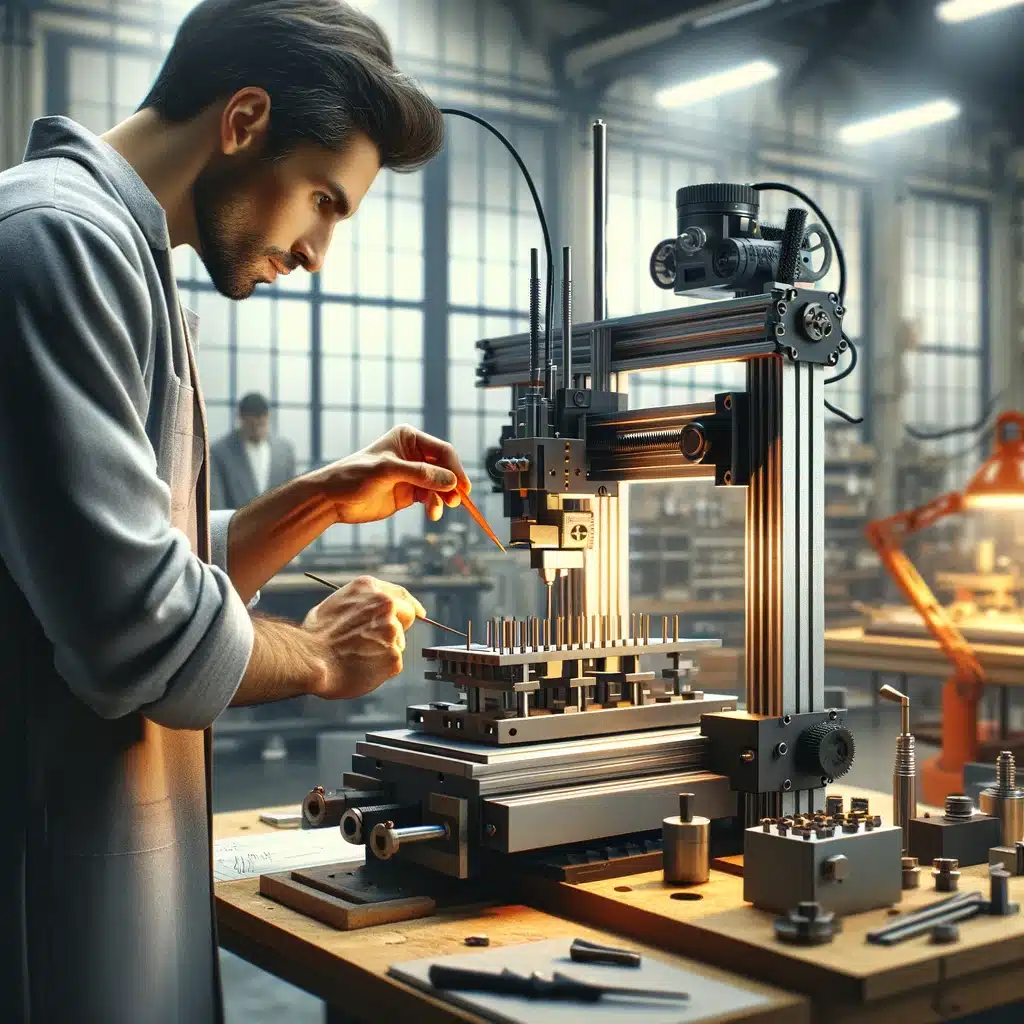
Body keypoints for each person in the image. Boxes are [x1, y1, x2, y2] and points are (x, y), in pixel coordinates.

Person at [0, 2, 465, 1021]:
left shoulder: (123, 258)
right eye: (324, 201)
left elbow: (111, 556)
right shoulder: (54, 242)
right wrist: (323, 657)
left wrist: (315, 501)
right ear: (245, 119)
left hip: (113, 860)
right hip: (46, 884)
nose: (318, 251)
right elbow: (133, 630)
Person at [210, 392, 297, 510]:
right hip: (235, 520)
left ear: (268, 418)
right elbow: (217, 503)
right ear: (241, 419)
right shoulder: (220, 452)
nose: (257, 431)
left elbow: (292, 496)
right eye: (252, 426)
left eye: (262, 424)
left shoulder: (285, 450)